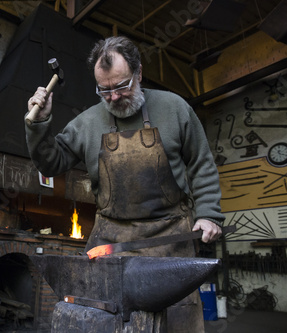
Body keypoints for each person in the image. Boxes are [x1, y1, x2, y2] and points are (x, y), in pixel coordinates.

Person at [25, 36, 224, 332]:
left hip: (169, 239)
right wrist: (39, 124)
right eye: (104, 90)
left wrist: (208, 213)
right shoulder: (88, 122)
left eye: (121, 86)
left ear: (139, 73)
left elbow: (201, 163)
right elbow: (50, 163)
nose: (114, 97)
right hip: (111, 241)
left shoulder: (174, 108)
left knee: (176, 321)